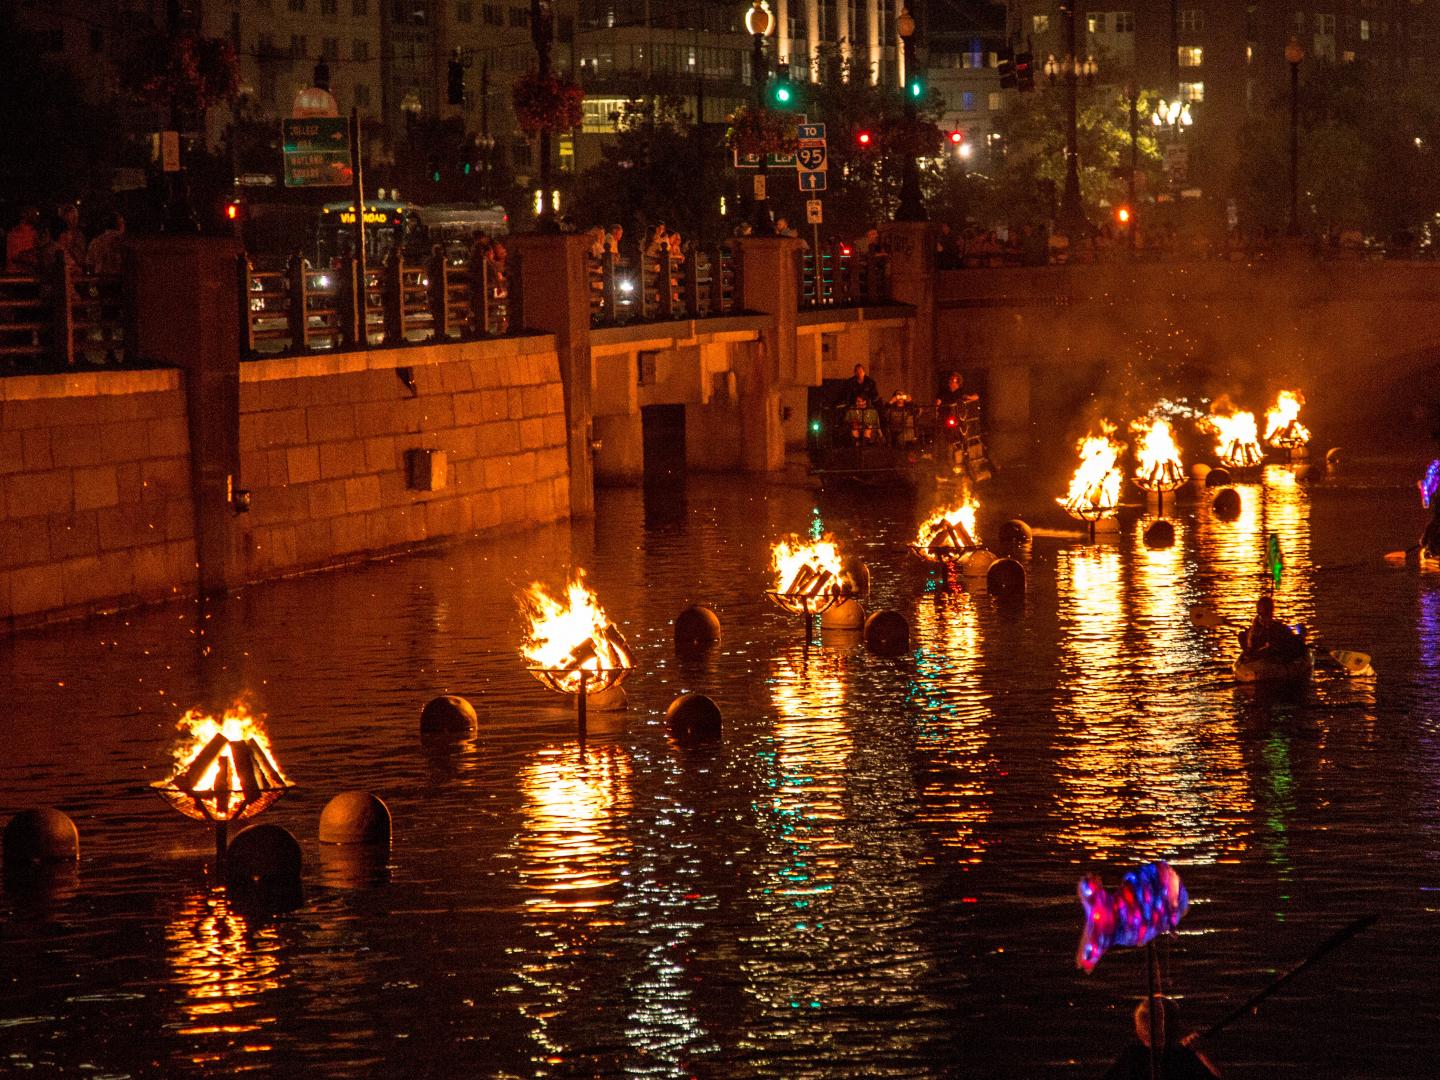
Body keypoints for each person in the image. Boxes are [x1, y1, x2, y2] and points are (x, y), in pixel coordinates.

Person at [1102, 997, 1220, 1080]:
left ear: (1138, 1031)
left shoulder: (1130, 1057)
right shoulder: (1185, 1059)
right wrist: (1202, 1053)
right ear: (1176, 1027)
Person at [1238, 595, 1306, 662]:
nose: (1267, 617)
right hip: (1261, 656)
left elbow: (1290, 640)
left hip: (1274, 655)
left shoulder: (1279, 627)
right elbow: (1253, 646)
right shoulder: (1254, 629)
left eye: (1268, 611)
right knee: (1242, 635)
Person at [838, 363, 882, 443]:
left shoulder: (870, 382)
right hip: (853, 406)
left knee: (868, 428)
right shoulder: (850, 383)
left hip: (868, 406)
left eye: (861, 371)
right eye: (857, 372)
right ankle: (856, 443)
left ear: (864, 372)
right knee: (853, 429)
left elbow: (875, 395)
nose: (859, 374)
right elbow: (847, 395)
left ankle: (867, 443)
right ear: (855, 373)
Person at [6, 205, 40, 273]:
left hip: (31, 274)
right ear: (24, 214)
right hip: (17, 275)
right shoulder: (15, 233)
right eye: (32, 212)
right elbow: (14, 256)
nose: (36, 214)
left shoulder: (34, 232)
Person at [56, 204, 87, 268]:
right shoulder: (63, 236)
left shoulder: (80, 234)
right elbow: (64, 255)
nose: (75, 220)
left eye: (76, 217)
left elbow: (82, 255)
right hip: (69, 268)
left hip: (79, 268)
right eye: (73, 218)